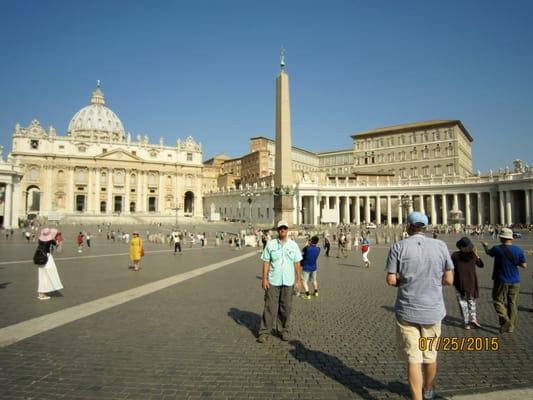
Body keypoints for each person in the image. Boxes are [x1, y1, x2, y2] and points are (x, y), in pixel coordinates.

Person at [385, 212, 454, 400]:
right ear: (426, 227)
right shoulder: (440, 246)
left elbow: (391, 280)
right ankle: (429, 389)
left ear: (408, 226)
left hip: (407, 311)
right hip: (433, 311)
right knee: (430, 356)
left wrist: (405, 282)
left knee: (413, 358)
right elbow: (449, 279)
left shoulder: (398, 247)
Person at [257, 220, 303, 343]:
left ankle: (284, 330)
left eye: (285, 228)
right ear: (277, 230)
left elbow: (297, 263)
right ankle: (264, 331)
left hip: (288, 281)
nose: (282, 230)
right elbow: (266, 262)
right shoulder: (270, 244)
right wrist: (264, 279)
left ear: (287, 230)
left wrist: (298, 280)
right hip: (273, 280)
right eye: (280, 228)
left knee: (286, 308)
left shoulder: (293, 245)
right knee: (270, 307)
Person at [482, 228, 527, 334]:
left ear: (501, 238)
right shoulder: (519, 250)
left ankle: (505, 320)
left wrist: (485, 246)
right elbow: (524, 266)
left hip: (501, 279)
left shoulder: (497, 249)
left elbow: (489, 253)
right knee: (512, 303)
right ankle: (511, 327)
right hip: (515, 280)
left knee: (497, 300)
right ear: (511, 238)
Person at [451, 237, 484, 329]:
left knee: (462, 302)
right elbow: (481, 264)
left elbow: (450, 265)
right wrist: (476, 254)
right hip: (471, 282)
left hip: (459, 282)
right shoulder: (472, 255)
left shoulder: (455, 255)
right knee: (471, 300)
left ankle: (466, 322)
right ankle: (473, 318)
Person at [35, 228, 63, 300]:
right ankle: (43, 293)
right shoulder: (50, 240)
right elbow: (57, 245)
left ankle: (41, 293)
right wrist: (58, 240)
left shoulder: (40, 240)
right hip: (47, 258)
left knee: (42, 275)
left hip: (40, 258)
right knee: (50, 274)